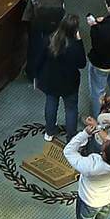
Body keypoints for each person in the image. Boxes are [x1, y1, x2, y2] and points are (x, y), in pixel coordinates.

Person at [39, 14, 86, 142]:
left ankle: (49, 132)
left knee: (51, 104)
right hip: (69, 83)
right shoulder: (75, 46)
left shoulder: (50, 39)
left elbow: (40, 58)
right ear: (74, 30)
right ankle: (71, 137)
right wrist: (80, 41)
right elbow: (82, 64)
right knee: (71, 109)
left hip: (51, 80)